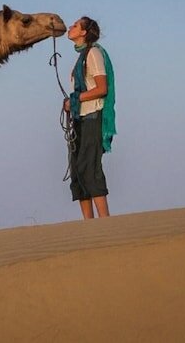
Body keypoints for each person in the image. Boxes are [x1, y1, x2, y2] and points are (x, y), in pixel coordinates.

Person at [63, 16, 116, 219]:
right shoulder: (83, 56)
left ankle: (104, 224)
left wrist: (76, 99)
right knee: (77, 171)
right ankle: (89, 226)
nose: (70, 27)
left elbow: (102, 88)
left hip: (93, 117)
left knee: (90, 169)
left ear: (84, 32)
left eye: (75, 25)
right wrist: (72, 103)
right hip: (80, 118)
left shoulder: (93, 53)